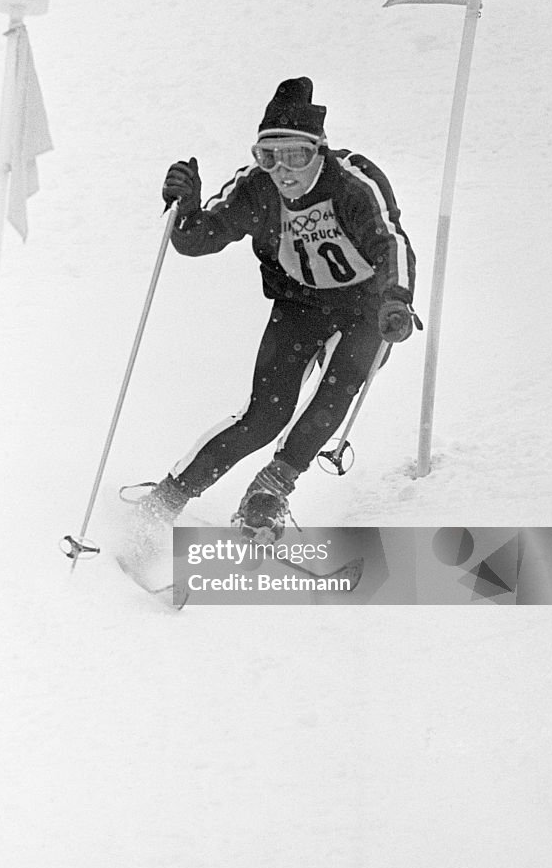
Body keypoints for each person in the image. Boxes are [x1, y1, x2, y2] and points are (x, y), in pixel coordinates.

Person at [135, 77, 417, 542]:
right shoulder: (257, 188)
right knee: (264, 415)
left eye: (296, 155)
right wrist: (184, 210)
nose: (283, 171)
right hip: (300, 303)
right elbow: (200, 237)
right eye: (269, 156)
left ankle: (269, 490)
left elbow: (391, 242)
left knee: (340, 386)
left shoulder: (351, 182)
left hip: (365, 305)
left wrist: (397, 299)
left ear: (320, 150)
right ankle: (165, 501)